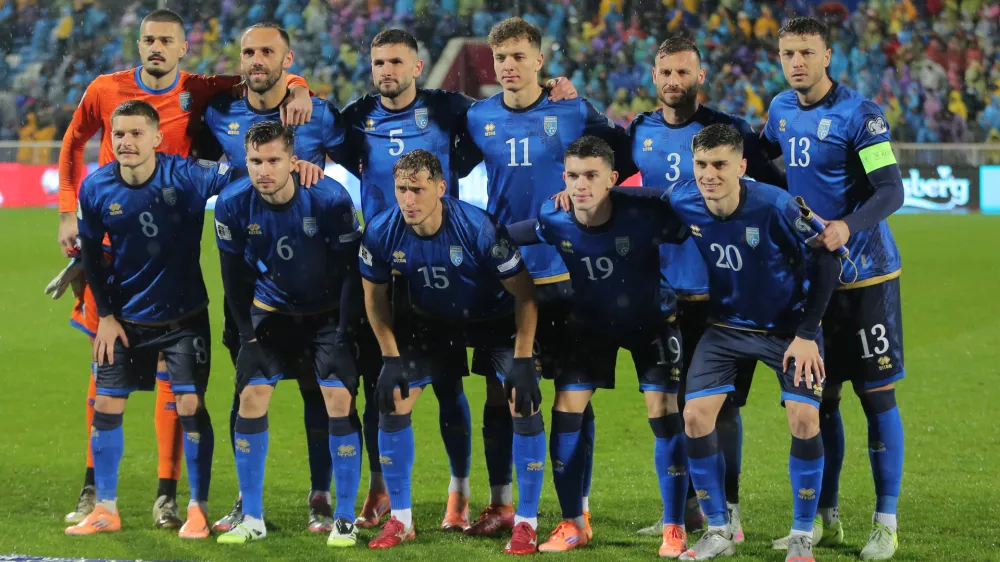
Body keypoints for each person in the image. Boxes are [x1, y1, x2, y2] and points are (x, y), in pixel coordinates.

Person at [53, 8, 312, 527]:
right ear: (139, 43)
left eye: (165, 40)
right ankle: (94, 489)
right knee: (104, 370)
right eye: (148, 39)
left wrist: (299, 84)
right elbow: (72, 141)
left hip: (172, 241)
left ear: (182, 48)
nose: (156, 47)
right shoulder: (105, 89)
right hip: (110, 250)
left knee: (177, 385)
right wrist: (66, 211)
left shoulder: (199, 89)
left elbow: (261, 75)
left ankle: (169, 494)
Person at [338, 27, 578, 531]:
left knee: (460, 390)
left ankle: (463, 494)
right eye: (379, 62)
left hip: (458, 270)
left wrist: (552, 87)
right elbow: (316, 139)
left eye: (397, 62)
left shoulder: (450, 109)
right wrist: (297, 96)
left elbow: (511, 109)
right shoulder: (356, 115)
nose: (387, 71)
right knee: (382, 387)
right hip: (388, 267)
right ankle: (382, 493)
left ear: (417, 67)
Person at [457, 17, 636, 539]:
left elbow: (623, 157)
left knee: (571, 394)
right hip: (505, 276)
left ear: (540, 60)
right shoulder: (479, 116)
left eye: (519, 56)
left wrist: (588, 198)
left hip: (565, 275)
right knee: (499, 394)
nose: (509, 66)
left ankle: (578, 508)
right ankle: (501, 504)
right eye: (501, 58)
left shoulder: (573, 111)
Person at [627, 35, 786, 541]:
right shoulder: (638, 131)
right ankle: (682, 511)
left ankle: (729, 510)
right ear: (654, 76)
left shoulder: (728, 132)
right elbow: (609, 180)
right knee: (670, 408)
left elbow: (772, 193)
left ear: (701, 76)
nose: (674, 81)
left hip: (721, 298)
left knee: (722, 409)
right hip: (661, 295)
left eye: (683, 72)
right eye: (665, 72)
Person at [660, 124, 841, 562]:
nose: (709, 175)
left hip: (789, 330)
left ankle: (801, 536)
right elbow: (642, 205)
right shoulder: (683, 198)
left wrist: (807, 334)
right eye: (701, 164)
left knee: (804, 419)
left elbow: (830, 257)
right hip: (726, 327)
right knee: (694, 416)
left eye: (720, 165)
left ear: (741, 166)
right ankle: (718, 529)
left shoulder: (777, 205)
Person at [762, 17, 906, 561]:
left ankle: (886, 523)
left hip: (867, 276)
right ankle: (826, 518)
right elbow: (758, 154)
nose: (796, 62)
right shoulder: (780, 109)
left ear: (827, 56)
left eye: (806, 52)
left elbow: (890, 190)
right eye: (787, 53)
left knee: (876, 395)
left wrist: (847, 225)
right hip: (810, 278)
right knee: (820, 400)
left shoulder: (859, 115)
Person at [505, 136, 690, 556]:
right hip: (590, 325)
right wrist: (480, 237)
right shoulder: (555, 215)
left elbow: (695, 221)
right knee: (565, 412)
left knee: (663, 414)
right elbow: (517, 234)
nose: (580, 185)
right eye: (572, 176)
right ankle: (574, 524)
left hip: (652, 323)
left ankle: (674, 527)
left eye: (591, 175)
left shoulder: (645, 211)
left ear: (613, 178)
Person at [67, 100, 242, 538]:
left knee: (189, 406)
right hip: (124, 320)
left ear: (157, 138)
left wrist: (296, 165)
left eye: (136, 133)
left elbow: (244, 174)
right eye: (118, 134)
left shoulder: (187, 174)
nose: (126, 141)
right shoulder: (96, 187)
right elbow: (92, 255)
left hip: (183, 319)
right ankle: (105, 508)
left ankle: (197, 508)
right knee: (106, 405)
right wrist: (106, 316)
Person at [358, 149, 545, 554]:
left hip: (493, 319)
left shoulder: (478, 228)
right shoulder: (381, 230)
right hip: (432, 321)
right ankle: (401, 520)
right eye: (401, 189)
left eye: (418, 190)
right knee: (393, 401)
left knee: (521, 401)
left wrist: (524, 359)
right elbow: (374, 299)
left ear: (441, 188)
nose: (408, 199)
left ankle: (523, 520)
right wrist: (390, 358)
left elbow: (526, 294)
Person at [203, 22, 348, 534]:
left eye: (267, 51)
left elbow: (362, 164)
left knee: (319, 391)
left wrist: (303, 92)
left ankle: (321, 495)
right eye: (248, 51)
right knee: (246, 388)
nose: (256, 59)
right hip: (250, 285)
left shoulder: (319, 114)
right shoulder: (218, 112)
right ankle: (246, 500)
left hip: (315, 283)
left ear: (288, 60)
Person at [212, 121, 364, 546]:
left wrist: (344, 333)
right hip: (271, 313)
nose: (264, 170)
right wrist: (247, 336)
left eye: (273, 160)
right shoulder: (232, 204)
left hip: (326, 316)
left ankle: (344, 519)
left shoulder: (330, 198)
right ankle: (252, 517)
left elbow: (351, 272)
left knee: (338, 399)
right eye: (255, 161)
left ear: (293, 162)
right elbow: (232, 278)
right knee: (250, 397)